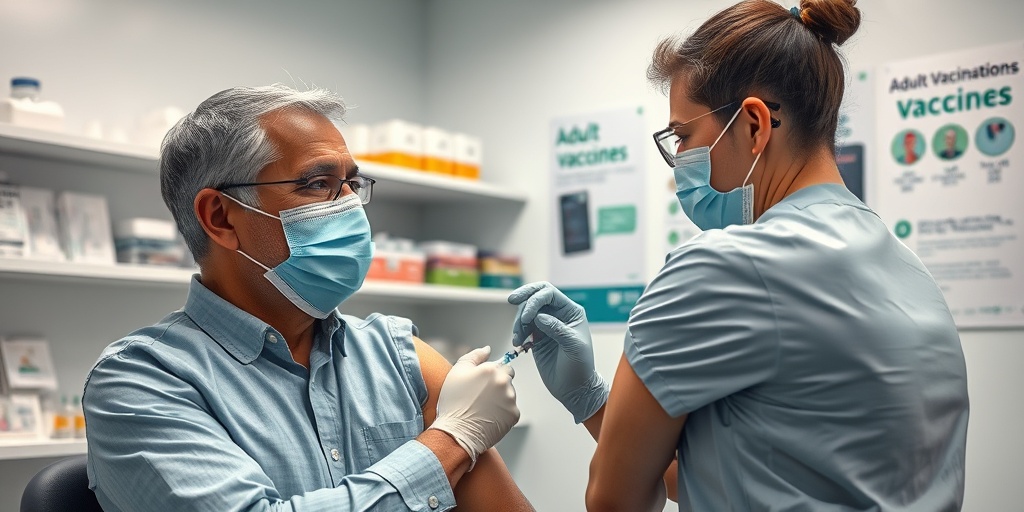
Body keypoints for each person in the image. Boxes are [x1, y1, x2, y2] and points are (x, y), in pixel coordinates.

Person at [510, 1, 969, 510]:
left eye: (683, 136)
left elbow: (615, 501)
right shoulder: (910, 271)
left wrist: (594, 404)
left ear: (754, 125)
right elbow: (738, 477)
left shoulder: (721, 267)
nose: (678, 163)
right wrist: (593, 400)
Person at [83, 85, 532, 511]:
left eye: (351, 184)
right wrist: (452, 439)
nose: (350, 206)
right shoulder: (141, 382)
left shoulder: (398, 356)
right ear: (220, 217)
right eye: (317, 184)